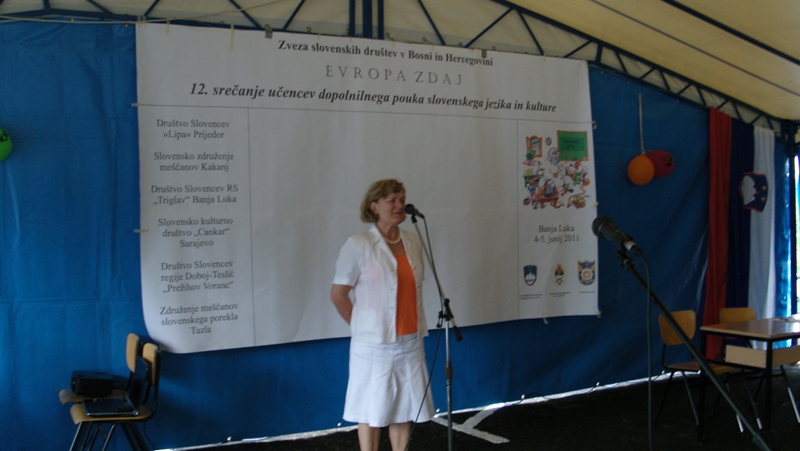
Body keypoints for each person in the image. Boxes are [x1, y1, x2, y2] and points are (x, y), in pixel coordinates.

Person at [330, 179, 434, 451]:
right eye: (392, 200)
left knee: (404, 408)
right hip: (373, 345)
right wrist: (361, 325)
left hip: (410, 339)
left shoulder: (413, 241)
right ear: (374, 206)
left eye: (402, 199)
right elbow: (338, 294)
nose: (399, 205)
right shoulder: (358, 244)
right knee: (371, 409)